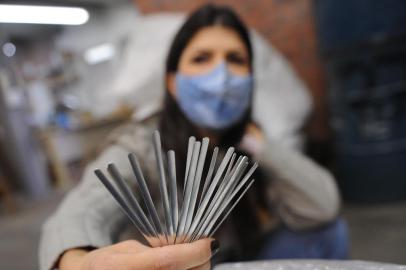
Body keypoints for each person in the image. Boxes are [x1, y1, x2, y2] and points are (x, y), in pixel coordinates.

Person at [39, 4, 348, 270]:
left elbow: (324, 206)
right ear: (173, 82)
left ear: (251, 79)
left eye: (235, 59)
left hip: (233, 258)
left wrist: (263, 147)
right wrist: (78, 260)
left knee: (328, 233)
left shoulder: (251, 143)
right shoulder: (144, 144)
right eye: (202, 58)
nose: (221, 75)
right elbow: (81, 211)